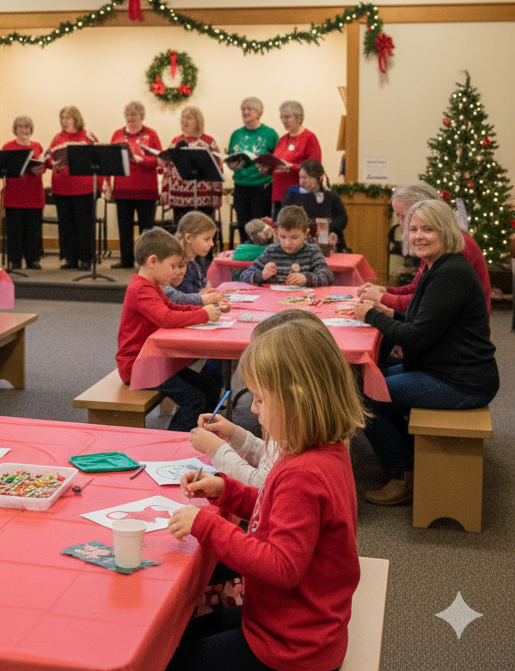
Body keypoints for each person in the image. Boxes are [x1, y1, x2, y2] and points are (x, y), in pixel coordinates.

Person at [166, 316, 366, 671]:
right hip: (292, 625)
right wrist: (226, 491)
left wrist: (207, 526)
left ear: (296, 398)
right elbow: (276, 510)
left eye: (259, 399)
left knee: (170, 658)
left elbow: (280, 567)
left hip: (291, 647)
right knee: (175, 636)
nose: (253, 409)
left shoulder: (304, 472)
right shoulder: (318, 450)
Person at [352, 199, 498, 506]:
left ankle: (402, 473)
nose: (418, 236)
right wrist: (390, 315)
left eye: (427, 229)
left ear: (445, 230)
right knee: (368, 379)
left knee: (363, 396)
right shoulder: (438, 266)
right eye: (413, 229)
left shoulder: (450, 273)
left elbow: (419, 335)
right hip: (444, 368)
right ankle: (413, 460)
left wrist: (371, 315)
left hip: (462, 381)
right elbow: (427, 323)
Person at [182, 310, 324, 490]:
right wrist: (235, 435)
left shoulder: (300, 449)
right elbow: (269, 458)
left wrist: (217, 451)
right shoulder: (295, 429)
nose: (253, 409)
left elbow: (261, 487)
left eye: (260, 400)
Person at [116, 228, 222, 432]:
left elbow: (172, 308)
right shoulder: (141, 289)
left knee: (210, 388)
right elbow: (165, 318)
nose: (176, 272)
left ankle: (203, 434)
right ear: (153, 261)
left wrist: (202, 309)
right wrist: (204, 315)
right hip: (138, 367)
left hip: (154, 360)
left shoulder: (151, 285)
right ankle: (173, 444)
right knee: (194, 400)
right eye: (172, 266)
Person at [357, 181, 491, 314]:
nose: (401, 223)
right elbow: (418, 289)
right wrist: (385, 290)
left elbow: (426, 303)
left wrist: (382, 297)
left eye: (403, 216)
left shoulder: (455, 245)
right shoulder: (431, 243)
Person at [105, 100, 161, 269]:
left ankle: (146, 261)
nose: (130, 117)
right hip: (123, 188)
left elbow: (159, 159)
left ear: (142, 116)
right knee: (124, 227)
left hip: (146, 189)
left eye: (134, 114)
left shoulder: (151, 134)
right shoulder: (117, 135)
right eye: (127, 114)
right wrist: (107, 183)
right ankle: (126, 259)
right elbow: (109, 160)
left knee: (146, 229)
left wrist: (139, 159)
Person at [47, 105, 99, 270]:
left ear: (76, 119)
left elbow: (98, 157)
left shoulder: (87, 136)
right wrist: (53, 163)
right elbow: (49, 158)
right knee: (66, 224)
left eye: (68, 118)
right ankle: (70, 258)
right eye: (62, 118)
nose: (65, 121)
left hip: (83, 187)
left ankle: (85, 258)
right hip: (61, 188)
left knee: (84, 224)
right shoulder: (58, 138)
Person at [160, 106, 224, 229]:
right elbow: (168, 169)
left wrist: (217, 194)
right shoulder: (176, 141)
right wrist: (165, 191)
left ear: (198, 121)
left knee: (202, 233)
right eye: (183, 117)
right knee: (182, 234)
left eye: (189, 118)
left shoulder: (209, 142)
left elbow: (217, 168)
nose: (185, 121)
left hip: (203, 199)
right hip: (178, 200)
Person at [238, 205, 333, 287]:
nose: (288, 243)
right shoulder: (272, 251)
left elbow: (328, 276)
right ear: (277, 232)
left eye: (294, 237)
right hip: (274, 304)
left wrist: (306, 278)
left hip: (303, 304)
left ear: (306, 234)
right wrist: (262, 275)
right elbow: (244, 275)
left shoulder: (312, 251)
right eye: (283, 237)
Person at [225, 97, 279, 231]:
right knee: (243, 226)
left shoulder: (270, 134)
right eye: (243, 109)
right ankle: (245, 251)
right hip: (241, 186)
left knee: (261, 229)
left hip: (262, 187)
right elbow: (231, 157)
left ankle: (261, 253)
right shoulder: (236, 134)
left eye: (249, 109)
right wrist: (231, 166)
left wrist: (268, 167)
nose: (245, 112)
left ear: (258, 113)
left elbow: (278, 161)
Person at [1, 115, 45, 270]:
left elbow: (43, 166)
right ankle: (15, 260)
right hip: (14, 194)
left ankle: (33, 259)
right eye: (20, 126)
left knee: (33, 230)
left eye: (27, 127)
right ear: (15, 129)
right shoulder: (8, 147)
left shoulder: (37, 146)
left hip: (33, 194)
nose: (24, 130)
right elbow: (3, 167)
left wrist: (38, 168)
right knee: (14, 229)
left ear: (31, 130)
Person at [282, 158, 349, 251]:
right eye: (300, 177)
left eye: (305, 178)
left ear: (319, 178)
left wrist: (327, 228)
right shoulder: (292, 194)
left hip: (328, 242)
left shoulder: (331, 196)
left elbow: (342, 218)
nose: (301, 182)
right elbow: (283, 216)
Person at [269, 100, 321, 214]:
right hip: (279, 194)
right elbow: (276, 163)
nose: (284, 121)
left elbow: (314, 168)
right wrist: (267, 168)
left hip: (299, 194)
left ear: (298, 118)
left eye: (287, 117)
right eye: (282, 117)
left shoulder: (309, 138)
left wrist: (292, 167)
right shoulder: (282, 139)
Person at [176, 211, 220, 297]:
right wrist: (200, 297)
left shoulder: (195, 262)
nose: (212, 244)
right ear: (188, 238)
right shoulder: (177, 267)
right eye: (206, 239)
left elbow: (200, 290)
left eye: (212, 239)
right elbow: (179, 299)